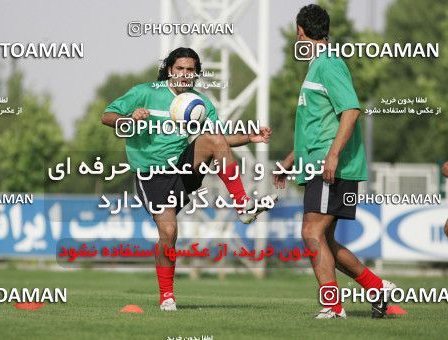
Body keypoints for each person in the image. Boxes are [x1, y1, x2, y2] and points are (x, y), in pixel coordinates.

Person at [102, 47, 276, 311]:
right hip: (152, 175)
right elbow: (107, 116)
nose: (184, 74)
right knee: (169, 233)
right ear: (170, 69)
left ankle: (243, 206)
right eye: (180, 69)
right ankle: (167, 297)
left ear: (196, 74)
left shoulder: (201, 103)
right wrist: (129, 119)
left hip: (181, 169)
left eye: (190, 70)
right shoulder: (145, 92)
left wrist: (251, 137)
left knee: (214, 139)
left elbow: (222, 139)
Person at [274, 4, 395, 319]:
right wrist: (290, 160)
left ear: (301, 33)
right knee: (324, 238)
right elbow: (316, 124)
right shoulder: (317, 67)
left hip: (331, 167)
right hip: (317, 163)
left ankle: (333, 306)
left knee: (311, 234)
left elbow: (351, 111)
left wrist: (333, 156)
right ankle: (378, 287)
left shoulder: (328, 64)